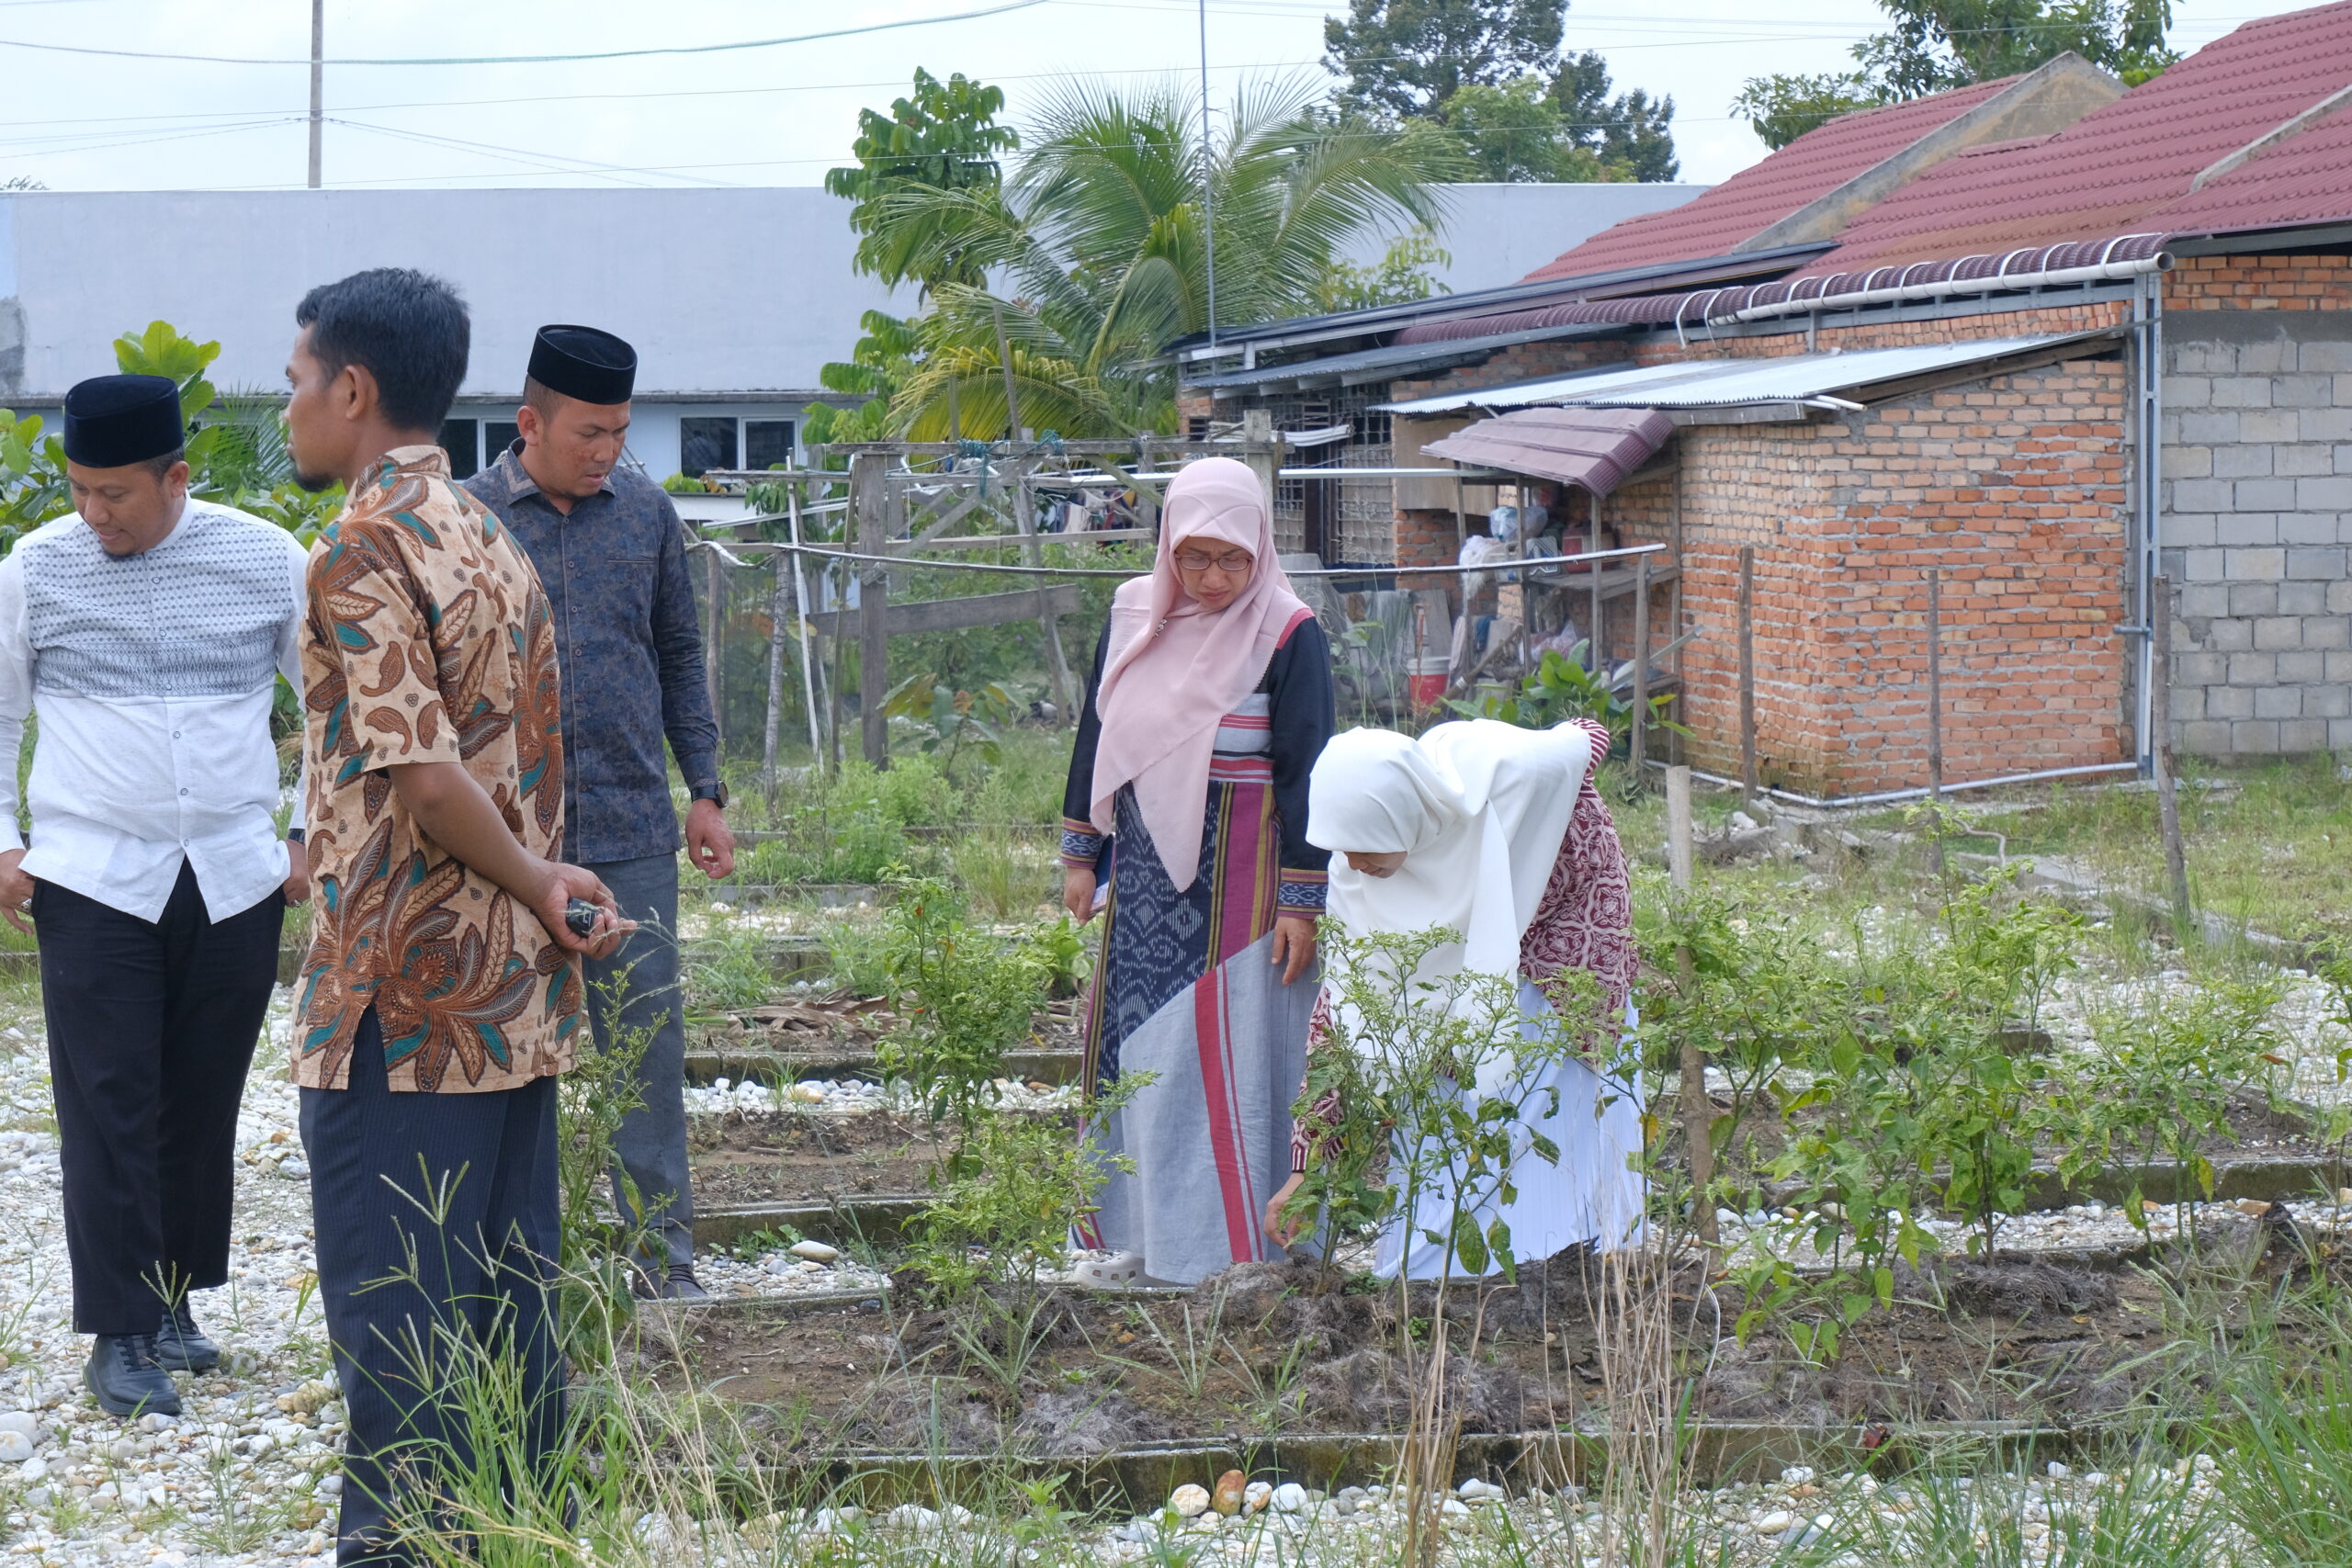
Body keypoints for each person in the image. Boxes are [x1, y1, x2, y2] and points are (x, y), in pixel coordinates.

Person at [282, 267, 627, 1566]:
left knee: (398, 1316)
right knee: (506, 1304)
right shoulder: (487, 533)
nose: (287, 403)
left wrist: (535, 880)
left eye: (297, 378)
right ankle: (523, 1536)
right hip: (511, 998)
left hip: (405, 994)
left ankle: (402, 1549)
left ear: (353, 389)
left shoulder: (363, 546)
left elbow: (425, 779)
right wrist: (541, 886)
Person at [0, 374, 311, 1416]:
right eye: (79, 490)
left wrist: (306, 830)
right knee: (109, 1102)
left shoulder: (266, 557)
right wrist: (3, 840)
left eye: (115, 493)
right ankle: (120, 1333)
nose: (93, 513)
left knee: (202, 1095)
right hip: (93, 874)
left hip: (233, 874)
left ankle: (174, 1301)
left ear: (176, 478)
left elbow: (337, 703)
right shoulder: (35, 568)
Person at [464, 323, 731, 1301]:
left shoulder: (647, 512)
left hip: (629, 827)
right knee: (501, 1047)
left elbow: (678, 651)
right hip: (503, 836)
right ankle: (511, 1266)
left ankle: (662, 1259)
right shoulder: (469, 519)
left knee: (644, 1046)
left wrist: (704, 789)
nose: (608, 450)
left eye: (620, 432)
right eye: (590, 432)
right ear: (530, 423)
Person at [1059, 457, 1334, 1287]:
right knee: (1142, 1048)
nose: (1213, 579)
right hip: (1146, 878)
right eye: (1194, 557)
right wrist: (1081, 853)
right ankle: (1146, 1237)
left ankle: (1237, 1247)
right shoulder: (1133, 614)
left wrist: (1301, 900)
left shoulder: (1287, 631)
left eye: (1232, 559)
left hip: (1246, 884)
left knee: (1228, 1049)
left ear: (1260, 548)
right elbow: (1097, 734)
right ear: (1167, 547)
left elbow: (1308, 770)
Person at [1265, 716, 1644, 1276]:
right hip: (1456, 1013)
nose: (1354, 864)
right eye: (1342, 849)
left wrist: (1558, 1009)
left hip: (1553, 984)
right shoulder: (1357, 879)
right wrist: (1307, 1164)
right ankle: (1434, 1288)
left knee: (1546, 1147)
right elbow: (1342, 1015)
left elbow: (1573, 749)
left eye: (1365, 846)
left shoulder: (1519, 798)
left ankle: (1570, 1290)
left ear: (1405, 813)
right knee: (1443, 1156)